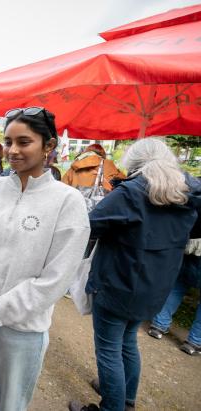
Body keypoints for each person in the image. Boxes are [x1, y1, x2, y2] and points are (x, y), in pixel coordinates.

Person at [0, 107, 90, 411]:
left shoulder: (67, 203)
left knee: (12, 405)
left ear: (49, 146)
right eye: (8, 142)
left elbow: (53, 282)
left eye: (24, 142)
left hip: (21, 331)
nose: (12, 150)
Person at [69, 138, 201, 411]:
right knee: (127, 341)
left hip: (118, 284)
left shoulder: (131, 192)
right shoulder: (189, 194)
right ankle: (125, 398)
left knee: (108, 349)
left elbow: (89, 225)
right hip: (156, 287)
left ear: (135, 162)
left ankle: (111, 406)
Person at [148, 237, 201, 356]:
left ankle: (158, 325)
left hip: (193, 248)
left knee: (177, 286)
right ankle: (194, 342)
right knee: (178, 286)